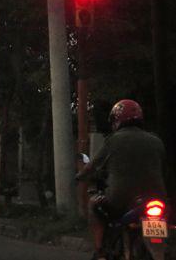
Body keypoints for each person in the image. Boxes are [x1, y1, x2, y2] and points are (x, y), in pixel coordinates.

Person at [75, 99, 168, 260]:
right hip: (157, 199)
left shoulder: (114, 140)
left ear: (117, 121)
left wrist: (79, 176)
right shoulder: (156, 141)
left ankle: (100, 252)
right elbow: (164, 169)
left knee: (93, 205)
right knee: (160, 250)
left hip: (120, 200)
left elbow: (92, 166)